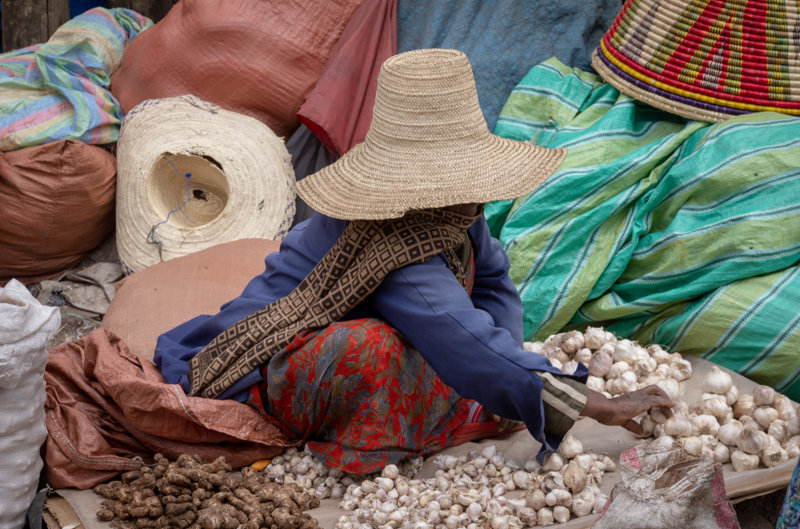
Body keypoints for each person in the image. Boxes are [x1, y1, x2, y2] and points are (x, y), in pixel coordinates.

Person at [154, 48, 673, 473]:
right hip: (268, 371)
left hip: (370, 338)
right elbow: (456, 332)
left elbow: (493, 285)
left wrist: (511, 363)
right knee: (376, 349)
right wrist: (593, 404)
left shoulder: (455, 212)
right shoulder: (398, 237)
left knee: (474, 360)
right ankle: (369, 437)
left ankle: (494, 389)